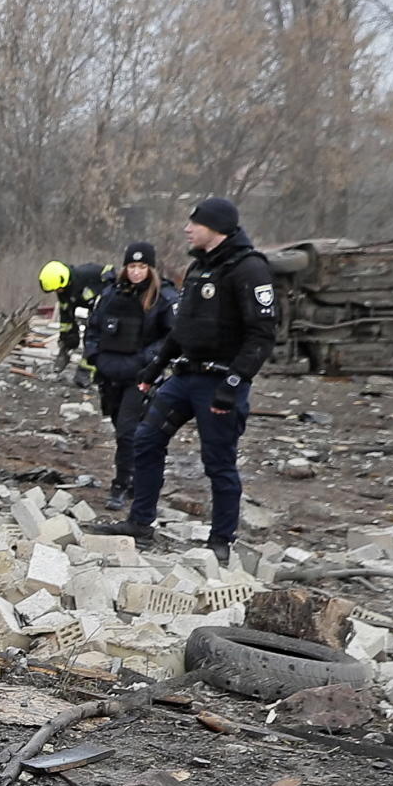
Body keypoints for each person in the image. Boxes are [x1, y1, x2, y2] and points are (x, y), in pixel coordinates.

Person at [102, 196, 278, 554]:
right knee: (145, 440)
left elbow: (262, 335)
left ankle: (220, 541)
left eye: (194, 223)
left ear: (216, 228)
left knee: (218, 462)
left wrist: (234, 382)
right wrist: (155, 367)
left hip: (221, 380)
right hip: (185, 376)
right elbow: (182, 329)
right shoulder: (198, 268)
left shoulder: (248, 269)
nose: (187, 229)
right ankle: (140, 523)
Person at [83, 240, 174, 509]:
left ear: (151, 269)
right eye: (132, 266)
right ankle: (135, 478)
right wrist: (95, 356)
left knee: (127, 431)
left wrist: (146, 361)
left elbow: (172, 337)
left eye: (142, 267)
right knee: (119, 426)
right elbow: (93, 328)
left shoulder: (163, 298)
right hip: (110, 373)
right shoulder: (111, 294)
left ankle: (122, 484)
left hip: (141, 376)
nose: (136, 272)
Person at [39, 259, 106, 369]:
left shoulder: (89, 274)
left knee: (93, 336)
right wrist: (66, 341)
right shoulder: (63, 290)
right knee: (70, 333)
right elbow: (66, 316)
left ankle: (89, 368)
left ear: (63, 280)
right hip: (92, 306)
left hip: (106, 308)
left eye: (58, 289)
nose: (57, 292)